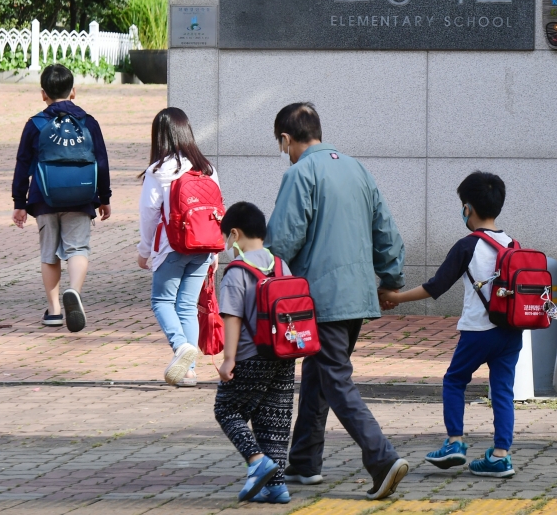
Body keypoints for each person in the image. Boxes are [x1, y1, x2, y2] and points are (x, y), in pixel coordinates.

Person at [264, 102, 409, 500]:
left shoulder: (300, 172)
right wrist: (390, 279)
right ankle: (305, 461)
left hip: (320, 298)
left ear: (286, 138)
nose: (285, 152)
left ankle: (382, 459)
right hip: (358, 296)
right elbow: (386, 231)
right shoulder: (357, 168)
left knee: (335, 378)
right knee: (320, 374)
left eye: (283, 145)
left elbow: (284, 239)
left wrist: (261, 276)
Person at [379, 171, 521, 478]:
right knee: (502, 392)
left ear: (467, 208)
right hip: (511, 332)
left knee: (455, 380)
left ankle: (455, 442)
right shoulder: (513, 244)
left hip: (478, 331)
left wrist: (396, 298)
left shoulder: (467, 245)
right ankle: (500, 456)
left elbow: (435, 287)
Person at [12, 64, 111, 332]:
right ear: (74, 92)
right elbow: (101, 161)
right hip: (81, 196)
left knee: (49, 253)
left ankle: (54, 310)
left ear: (43, 94)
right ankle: (74, 292)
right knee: (77, 248)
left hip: (44, 197)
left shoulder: (35, 124)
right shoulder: (89, 123)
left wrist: (19, 203)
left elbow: (23, 165)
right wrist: (104, 197)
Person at [214, 201, 294, 504]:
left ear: (234, 234)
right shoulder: (282, 264)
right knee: (274, 419)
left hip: (250, 356)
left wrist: (228, 359)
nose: (226, 245)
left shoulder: (237, 271)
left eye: (226, 238)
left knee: (227, 410)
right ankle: (277, 487)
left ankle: (256, 460)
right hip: (284, 354)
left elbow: (232, 317)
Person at [136, 107, 218, 387]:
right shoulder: (206, 167)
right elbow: (215, 211)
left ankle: (181, 347)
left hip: (172, 247)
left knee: (161, 301)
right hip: (204, 247)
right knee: (186, 306)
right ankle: (189, 371)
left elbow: (149, 214)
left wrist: (144, 251)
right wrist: (215, 251)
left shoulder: (159, 171)